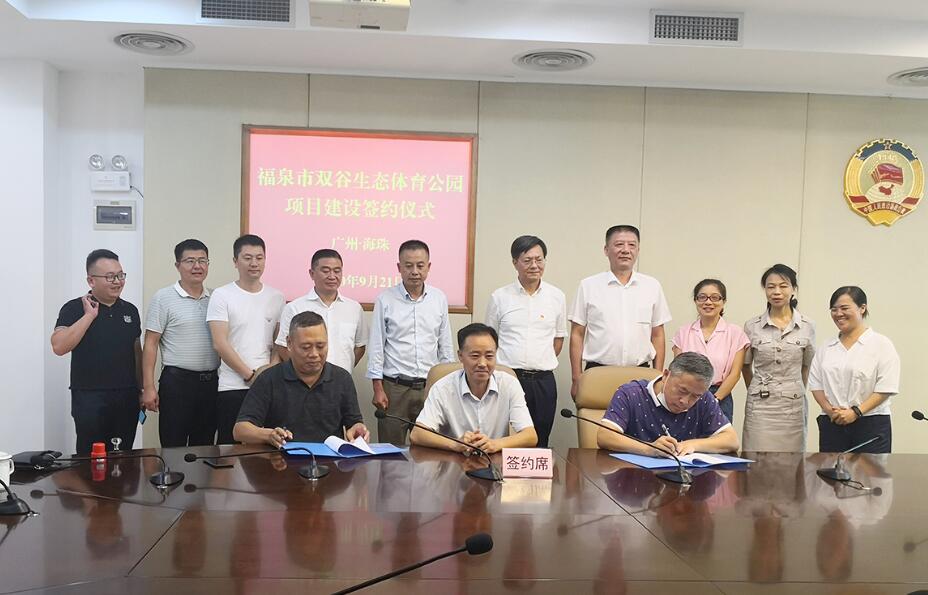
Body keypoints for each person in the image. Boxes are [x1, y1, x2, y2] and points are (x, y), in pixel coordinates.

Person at [51, 249, 142, 454]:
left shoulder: (130, 310)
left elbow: (137, 351)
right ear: (91, 280)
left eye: (120, 275)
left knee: (123, 455)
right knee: (90, 458)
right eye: (110, 277)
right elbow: (59, 346)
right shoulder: (74, 308)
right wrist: (89, 316)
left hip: (126, 395)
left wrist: (142, 389)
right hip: (89, 397)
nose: (117, 281)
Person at [233, 311, 369, 447]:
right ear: (289, 343)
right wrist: (268, 435)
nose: (314, 354)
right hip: (281, 457)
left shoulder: (342, 378)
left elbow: (354, 423)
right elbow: (240, 430)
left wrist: (358, 429)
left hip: (329, 457)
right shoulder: (269, 379)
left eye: (321, 346)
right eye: (306, 347)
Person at [367, 239, 455, 445]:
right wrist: (378, 388)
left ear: (428, 267)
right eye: (408, 266)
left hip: (430, 387)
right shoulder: (385, 299)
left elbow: (445, 346)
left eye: (420, 265)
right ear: (399, 268)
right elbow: (376, 346)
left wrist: (449, 386)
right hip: (394, 388)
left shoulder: (439, 298)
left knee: (430, 449)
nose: (415, 271)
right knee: (390, 451)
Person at [569, 225, 672, 399]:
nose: (625, 250)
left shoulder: (652, 286)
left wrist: (658, 375)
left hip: (640, 374)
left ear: (638, 250)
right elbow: (577, 334)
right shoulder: (588, 286)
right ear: (606, 250)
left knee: (639, 418)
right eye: (619, 244)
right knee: (598, 416)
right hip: (598, 373)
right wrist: (576, 378)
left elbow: (657, 334)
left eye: (632, 245)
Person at [485, 235, 566, 448]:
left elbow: (558, 340)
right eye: (527, 260)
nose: (534, 265)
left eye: (539, 259)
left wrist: (539, 360)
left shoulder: (557, 297)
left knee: (540, 440)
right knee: (504, 438)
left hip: (543, 381)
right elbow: (489, 341)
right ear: (515, 263)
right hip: (508, 378)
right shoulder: (499, 297)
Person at [410, 323, 537, 453]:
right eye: (475, 356)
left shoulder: (509, 384)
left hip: (494, 461)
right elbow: (417, 434)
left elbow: (530, 436)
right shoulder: (442, 388)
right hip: (453, 460)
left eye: (489, 356)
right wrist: (455, 444)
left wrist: (496, 444)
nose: (482, 363)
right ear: (460, 356)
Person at [207, 234, 285, 444]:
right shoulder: (222, 295)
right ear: (235, 261)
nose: (254, 263)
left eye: (259, 258)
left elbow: (279, 343)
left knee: (267, 447)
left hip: (269, 386)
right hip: (233, 386)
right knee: (229, 449)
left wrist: (270, 372)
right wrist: (250, 376)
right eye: (247, 258)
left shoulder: (277, 297)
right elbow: (219, 343)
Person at [142, 239, 220, 447]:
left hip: (211, 383)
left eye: (202, 261)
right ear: (177, 265)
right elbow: (150, 344)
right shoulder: (163, 298)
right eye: (190, 261)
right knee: (173, 446)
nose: (197, 266)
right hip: (177, 384)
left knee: (204, 446)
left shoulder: (216, 298)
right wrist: (148, 387)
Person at [809, 286, 899, 453]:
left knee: (870, 470)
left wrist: (855, 412)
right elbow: (816, 384)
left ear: (862, 308)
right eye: (834, 309)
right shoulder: (826, 347)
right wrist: (830, 411)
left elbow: (886, 387)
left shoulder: (881, 344)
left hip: (871, 423)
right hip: (833, 422)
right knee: (831, 469)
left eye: (844, 308)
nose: (838, 314)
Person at [596, 352, 739, 456]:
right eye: (682, 390)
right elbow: (605, 436)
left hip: (685, 483)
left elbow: (732, 440)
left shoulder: (704, 398)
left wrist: (691, 444)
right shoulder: (630, 393)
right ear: (666, 375)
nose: (685, 401)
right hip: (633, 480)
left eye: (695, 396)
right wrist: (649, 449)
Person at [742, 264, 816, 452]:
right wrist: (756, 388)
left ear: (793, 289)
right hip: (760, 404)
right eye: (771, 286)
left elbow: (806, 366)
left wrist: (795, 388)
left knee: (791, 460)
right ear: (765, 290)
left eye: (783, 286)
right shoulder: (752, 326)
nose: (777, 292)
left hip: (793, 404)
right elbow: (745, 365)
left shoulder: (807, 326)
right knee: (756, 458)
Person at [672, 279, 749, 424]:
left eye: (715, 297)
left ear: (723, 301)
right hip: (686, 396)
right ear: (695, 301)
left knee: (719, 438)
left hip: (720, 396)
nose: (708, 302)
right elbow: (678, 372)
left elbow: (734, 374)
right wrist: (689, 397)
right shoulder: (683, 332)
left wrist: (714, 399)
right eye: (702, 297)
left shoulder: (735, 333)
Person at [275, 248, 366, 371]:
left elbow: (360, 346)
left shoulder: (354, 308)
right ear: (312, 274)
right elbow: (283, 347)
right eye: (326, 271)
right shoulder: (294, 308)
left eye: (337, 271)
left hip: (341, 379)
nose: (332, 276)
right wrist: (302, 372)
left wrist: (340, 373)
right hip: (303, 380)